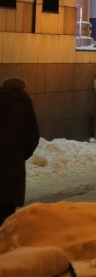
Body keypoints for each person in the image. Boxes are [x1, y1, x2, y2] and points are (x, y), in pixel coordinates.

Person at [0, 78, 40, 223]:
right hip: (12, 161)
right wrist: (21, 154)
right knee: (7, 205)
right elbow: (32, 135)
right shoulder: (24, 105)